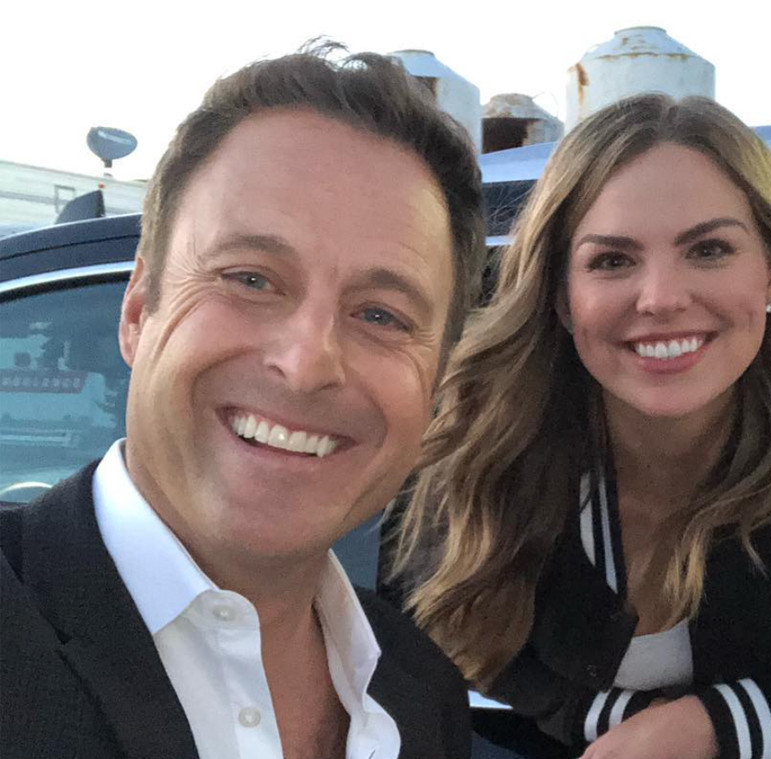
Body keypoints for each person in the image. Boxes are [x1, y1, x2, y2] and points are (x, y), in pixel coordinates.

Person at [386, 95, 771, 759]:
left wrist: (711, 726)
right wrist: (597, 717)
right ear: (561, 294)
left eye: (709, 249)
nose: (661, 298)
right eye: (612, 260)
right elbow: (430, 628)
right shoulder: (485, 439)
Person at [0, 42, 485, 759]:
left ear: (436, 385)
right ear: (138, 309)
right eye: (250, 279)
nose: (306, 364)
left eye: (381, 315)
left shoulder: (422, 693)